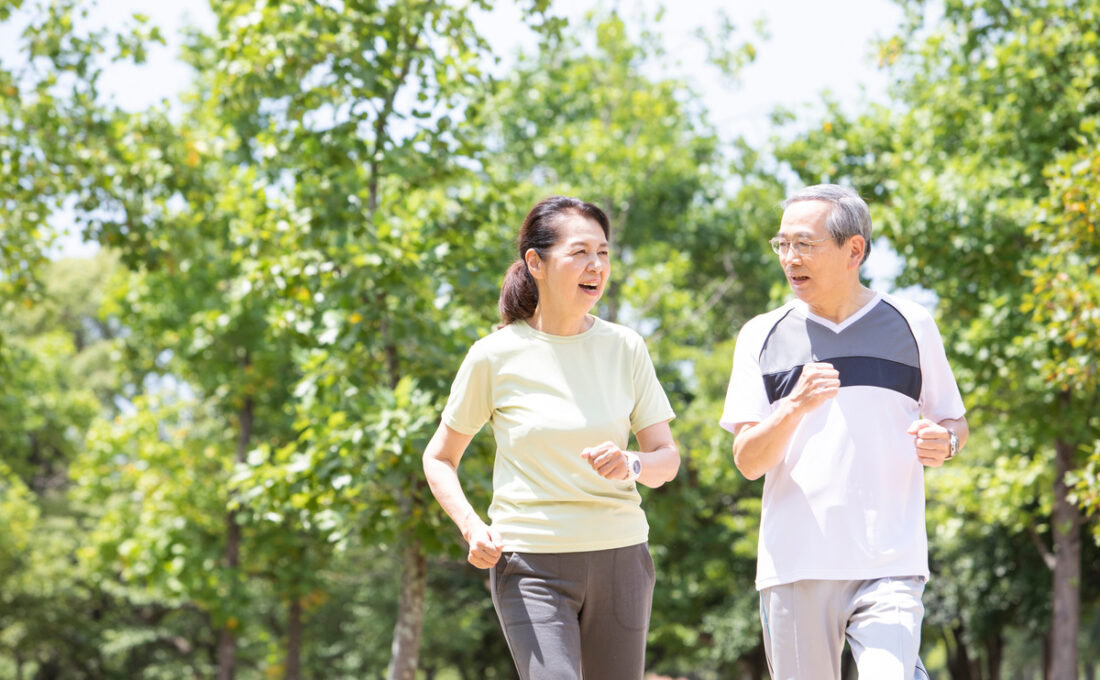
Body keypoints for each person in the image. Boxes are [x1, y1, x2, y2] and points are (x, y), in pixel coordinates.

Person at [423, 195, 681, 680]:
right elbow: (439, 458)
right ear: (535, 263)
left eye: (603, 253)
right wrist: (472, 527)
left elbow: (666, 458)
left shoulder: (626, 347)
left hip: (621, 558)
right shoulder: (494, 356)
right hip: (531, 564)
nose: (596, 266)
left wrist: (633, 464)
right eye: (580, 252)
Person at [720, 184, 969, 680]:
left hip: (890, 561)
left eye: (804, 244)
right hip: (794, 566)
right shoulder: (761, 334)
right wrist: (794, 406)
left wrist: (948, 442)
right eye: (782, 244)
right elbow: (748, 460)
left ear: (853, 249)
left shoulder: (912, 324)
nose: (790, 258)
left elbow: (951, 419)